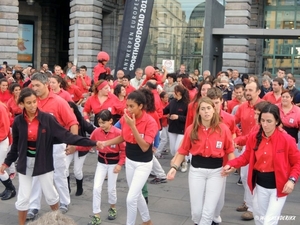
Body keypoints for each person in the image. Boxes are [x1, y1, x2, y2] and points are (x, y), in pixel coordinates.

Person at [0, 88, 101, 225]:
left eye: (34, 102)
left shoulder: (47, 119)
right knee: (23, 198)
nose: (32, 105)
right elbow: (16, 146)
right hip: (25, 162)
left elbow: (67, 135)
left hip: (43, 162)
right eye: (28, 103)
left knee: (50, 194)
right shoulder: (18, 121)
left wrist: (93, 143)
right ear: (22, 104)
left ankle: (57, 221)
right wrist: (6, 163)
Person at [222, 104, 300, 225]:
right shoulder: (254, 137)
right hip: (259, 185)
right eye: (262, 120)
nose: (265, 124)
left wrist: (292, 180)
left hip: (279, 187)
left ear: (277, 121)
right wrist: (231, 164)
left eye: (269, 121)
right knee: (260, 219)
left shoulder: (287, 140)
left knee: (269, 221)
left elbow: (297, 162)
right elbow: (246, 157)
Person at [167, 97, 235, 225]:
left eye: (209, 108)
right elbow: (183, 150)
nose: (206, 112)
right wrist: (174, 168)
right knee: (197, 212)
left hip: (216, 172)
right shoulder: (191, 129)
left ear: (214, 110)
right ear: (198, 112)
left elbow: (230, 151)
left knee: (208, 212)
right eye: (202, 109)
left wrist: (232, 166)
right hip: (197, 171)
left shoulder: (223, 129)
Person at [98, 90, 158, 225]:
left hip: (143, 162)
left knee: (131, 198)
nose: (128, 109)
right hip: (130, 161)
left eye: (132, 106)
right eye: (127, 106)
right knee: (137, 194)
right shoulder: (125, 116)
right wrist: (105, 143)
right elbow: (122, 136)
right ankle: (147, 221)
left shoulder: (150, 122)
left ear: (141, 106)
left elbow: (144, 146)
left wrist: (133, 126)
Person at [86, 110, 125, 225]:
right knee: (96, 188)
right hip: (101, 163)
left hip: (113, 163)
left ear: (111, 121)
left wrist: (120, 164)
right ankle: (96, 215)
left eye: (103, 122)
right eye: (99, 123)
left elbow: (123, 150)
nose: (101, 125)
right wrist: (88, 147)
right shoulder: (97, 131)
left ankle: (112, 207)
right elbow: (90, 142)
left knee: (111, 188)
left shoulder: (118, 133)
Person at [234, 81, 263, 221]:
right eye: (246, 89)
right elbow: (234, 122)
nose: (247, 92)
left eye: (251, 90)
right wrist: (238, 137)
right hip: (246, 144)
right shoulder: (242, 107)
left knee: (253, 177)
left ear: (258, 92)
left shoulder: (264, 107)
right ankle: (248, 202)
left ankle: (252, 208)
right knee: (245, 176)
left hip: (261, 146)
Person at [66, 101, 96, 196]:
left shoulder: (81, 122)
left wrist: (90, 143)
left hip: (81, 149)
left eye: (71, 112)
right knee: (64, 169)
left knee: (77, 171)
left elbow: (94, 131)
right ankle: (67, 188)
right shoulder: (61, 121)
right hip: (68, 148)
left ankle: (80, 187)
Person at [163, 85, 189, 172]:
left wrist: (178, 117)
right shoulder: (172, 102)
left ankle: (183, 162)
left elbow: (188, 118)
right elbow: (165, 110)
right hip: (172, 128)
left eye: (174, 91)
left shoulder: (186, 103)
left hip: (182, 129)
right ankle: (179, 162)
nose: (173, 93)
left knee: (178, 148)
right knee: (173, 151)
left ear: (179, 93)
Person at [0, 101, 16, 201]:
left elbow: (5, 128)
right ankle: (8, 188)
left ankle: (11, 189)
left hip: (1, 141)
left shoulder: (1, 107)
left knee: (0, 168)